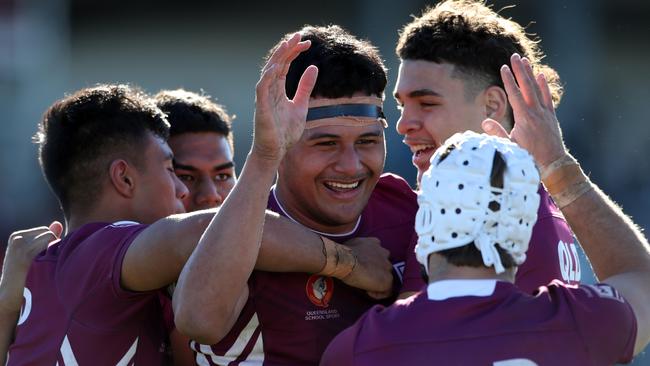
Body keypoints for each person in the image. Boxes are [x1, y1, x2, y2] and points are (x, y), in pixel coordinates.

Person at [6, 35, 392, 364]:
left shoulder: (44, 268)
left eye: (225, 175)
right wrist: (353, 263)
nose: (191, 193)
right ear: (123, 177)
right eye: (175, 171)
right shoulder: (100, 249)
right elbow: (206, 228)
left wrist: (8, 302)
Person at [321, 53, 650, 365]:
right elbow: (642, 279)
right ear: (523, 228)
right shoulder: (576, 322)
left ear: (424, 221)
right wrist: (559, 168)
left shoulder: (360, 346)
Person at [175, 25, 422, 365]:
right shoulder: (235, 233)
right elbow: (197, 320)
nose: (351, 167)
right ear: (283, 144)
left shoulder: (402, 203)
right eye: (326, 144)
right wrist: (264, 156)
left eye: (367, 142)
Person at [393, 0, 580, 294]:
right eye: (401, 105)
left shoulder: (470, 211)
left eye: (427, 103)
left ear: (492, 106)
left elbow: (416, 334)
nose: (403, 125)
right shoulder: (537, 203)